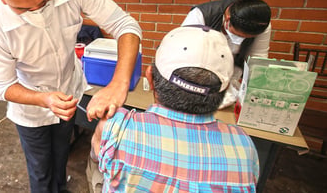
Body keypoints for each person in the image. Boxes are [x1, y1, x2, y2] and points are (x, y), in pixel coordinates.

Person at [0, 0, 141, 193]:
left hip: (70, 91)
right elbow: (2, 86)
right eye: (23, 8)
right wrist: (44, 99)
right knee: (41, 171)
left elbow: (125, 25)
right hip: (30, 108)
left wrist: (117, 85)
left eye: (45, 0)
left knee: (61, 156)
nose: (37, 11)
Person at [91, 26, 260, 192]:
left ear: (150, 77)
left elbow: (97, 156)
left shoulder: (116, 127)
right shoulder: (244, 148)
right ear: (226, 89)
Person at [181, 0, 271, 107]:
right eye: (238, 35)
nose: (239, 40)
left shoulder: (260, 25)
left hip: (232, 75)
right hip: (200, 72)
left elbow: (258, 58)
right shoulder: (201, 15)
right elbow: (185, 53)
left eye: (246, 38)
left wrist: (255, 89)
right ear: (227, 19)